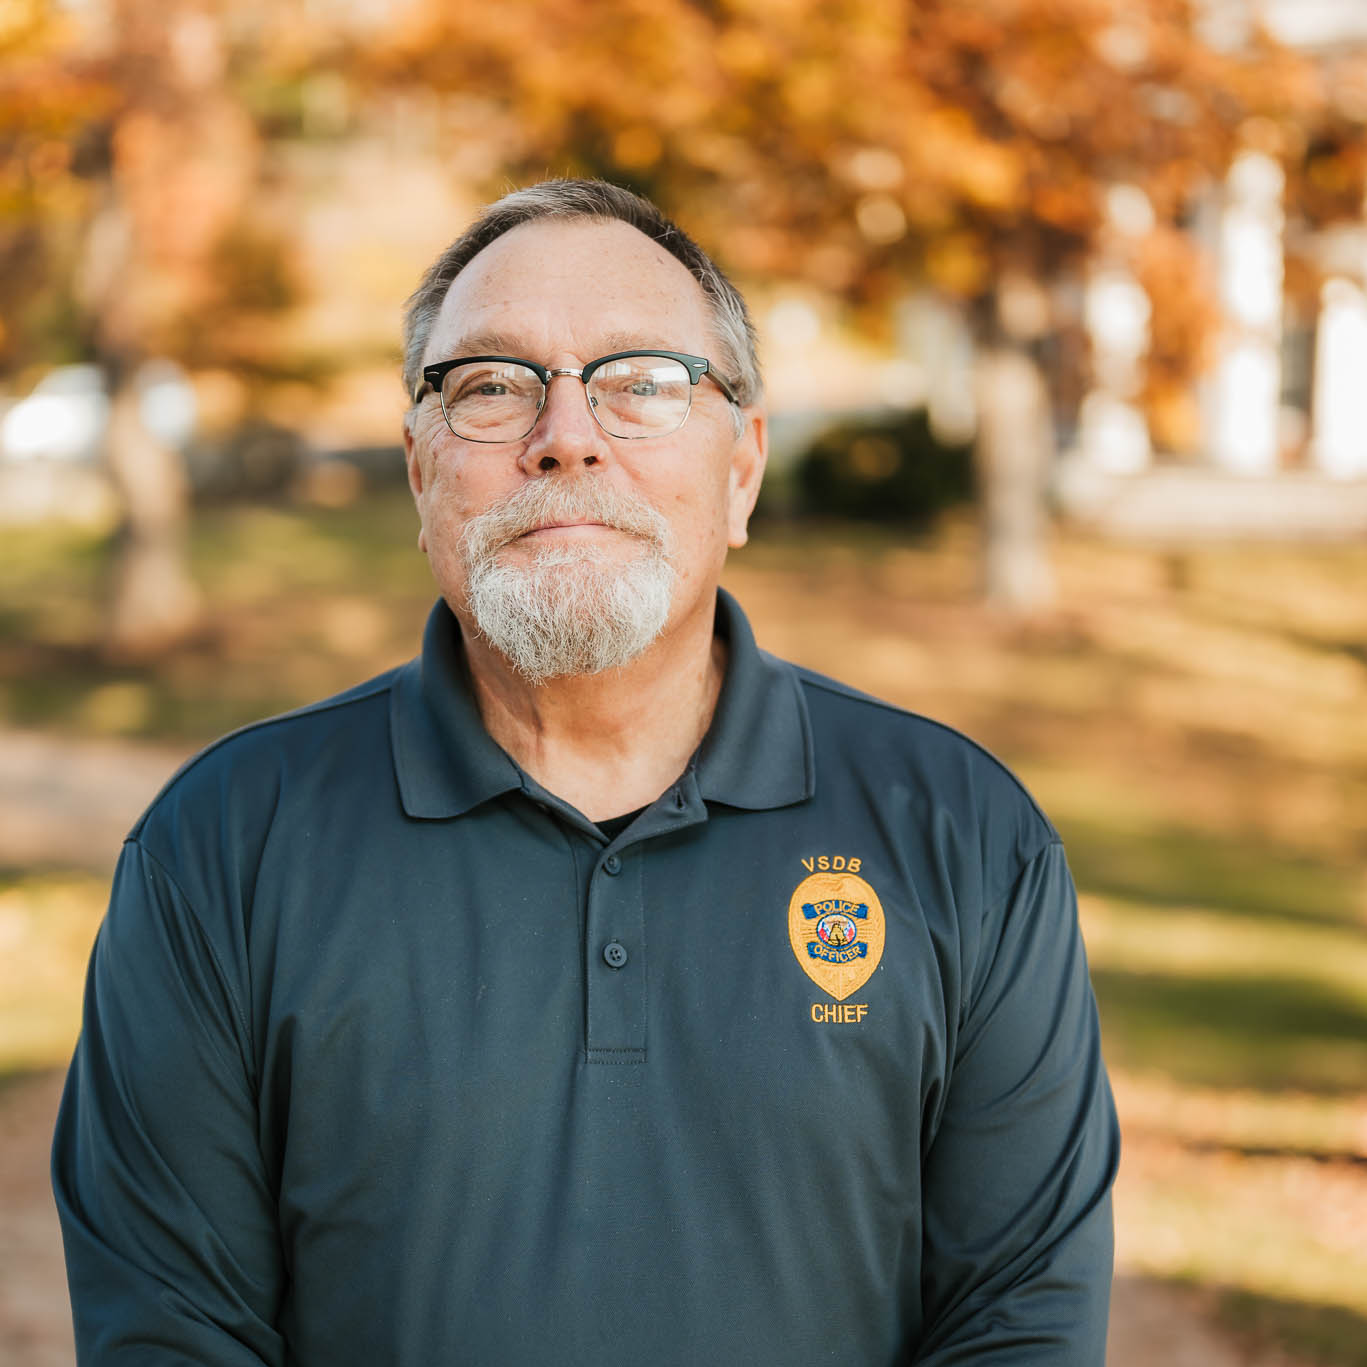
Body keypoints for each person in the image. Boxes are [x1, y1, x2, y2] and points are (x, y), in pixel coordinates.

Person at [52, 178, 1119, 1365]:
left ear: (743, 470)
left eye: (642, 382)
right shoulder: (221, 845)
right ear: (420, 473)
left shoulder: (963, 836)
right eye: (493, 386)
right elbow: (169, 1332)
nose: (565, 435)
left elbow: (1021, 1324)